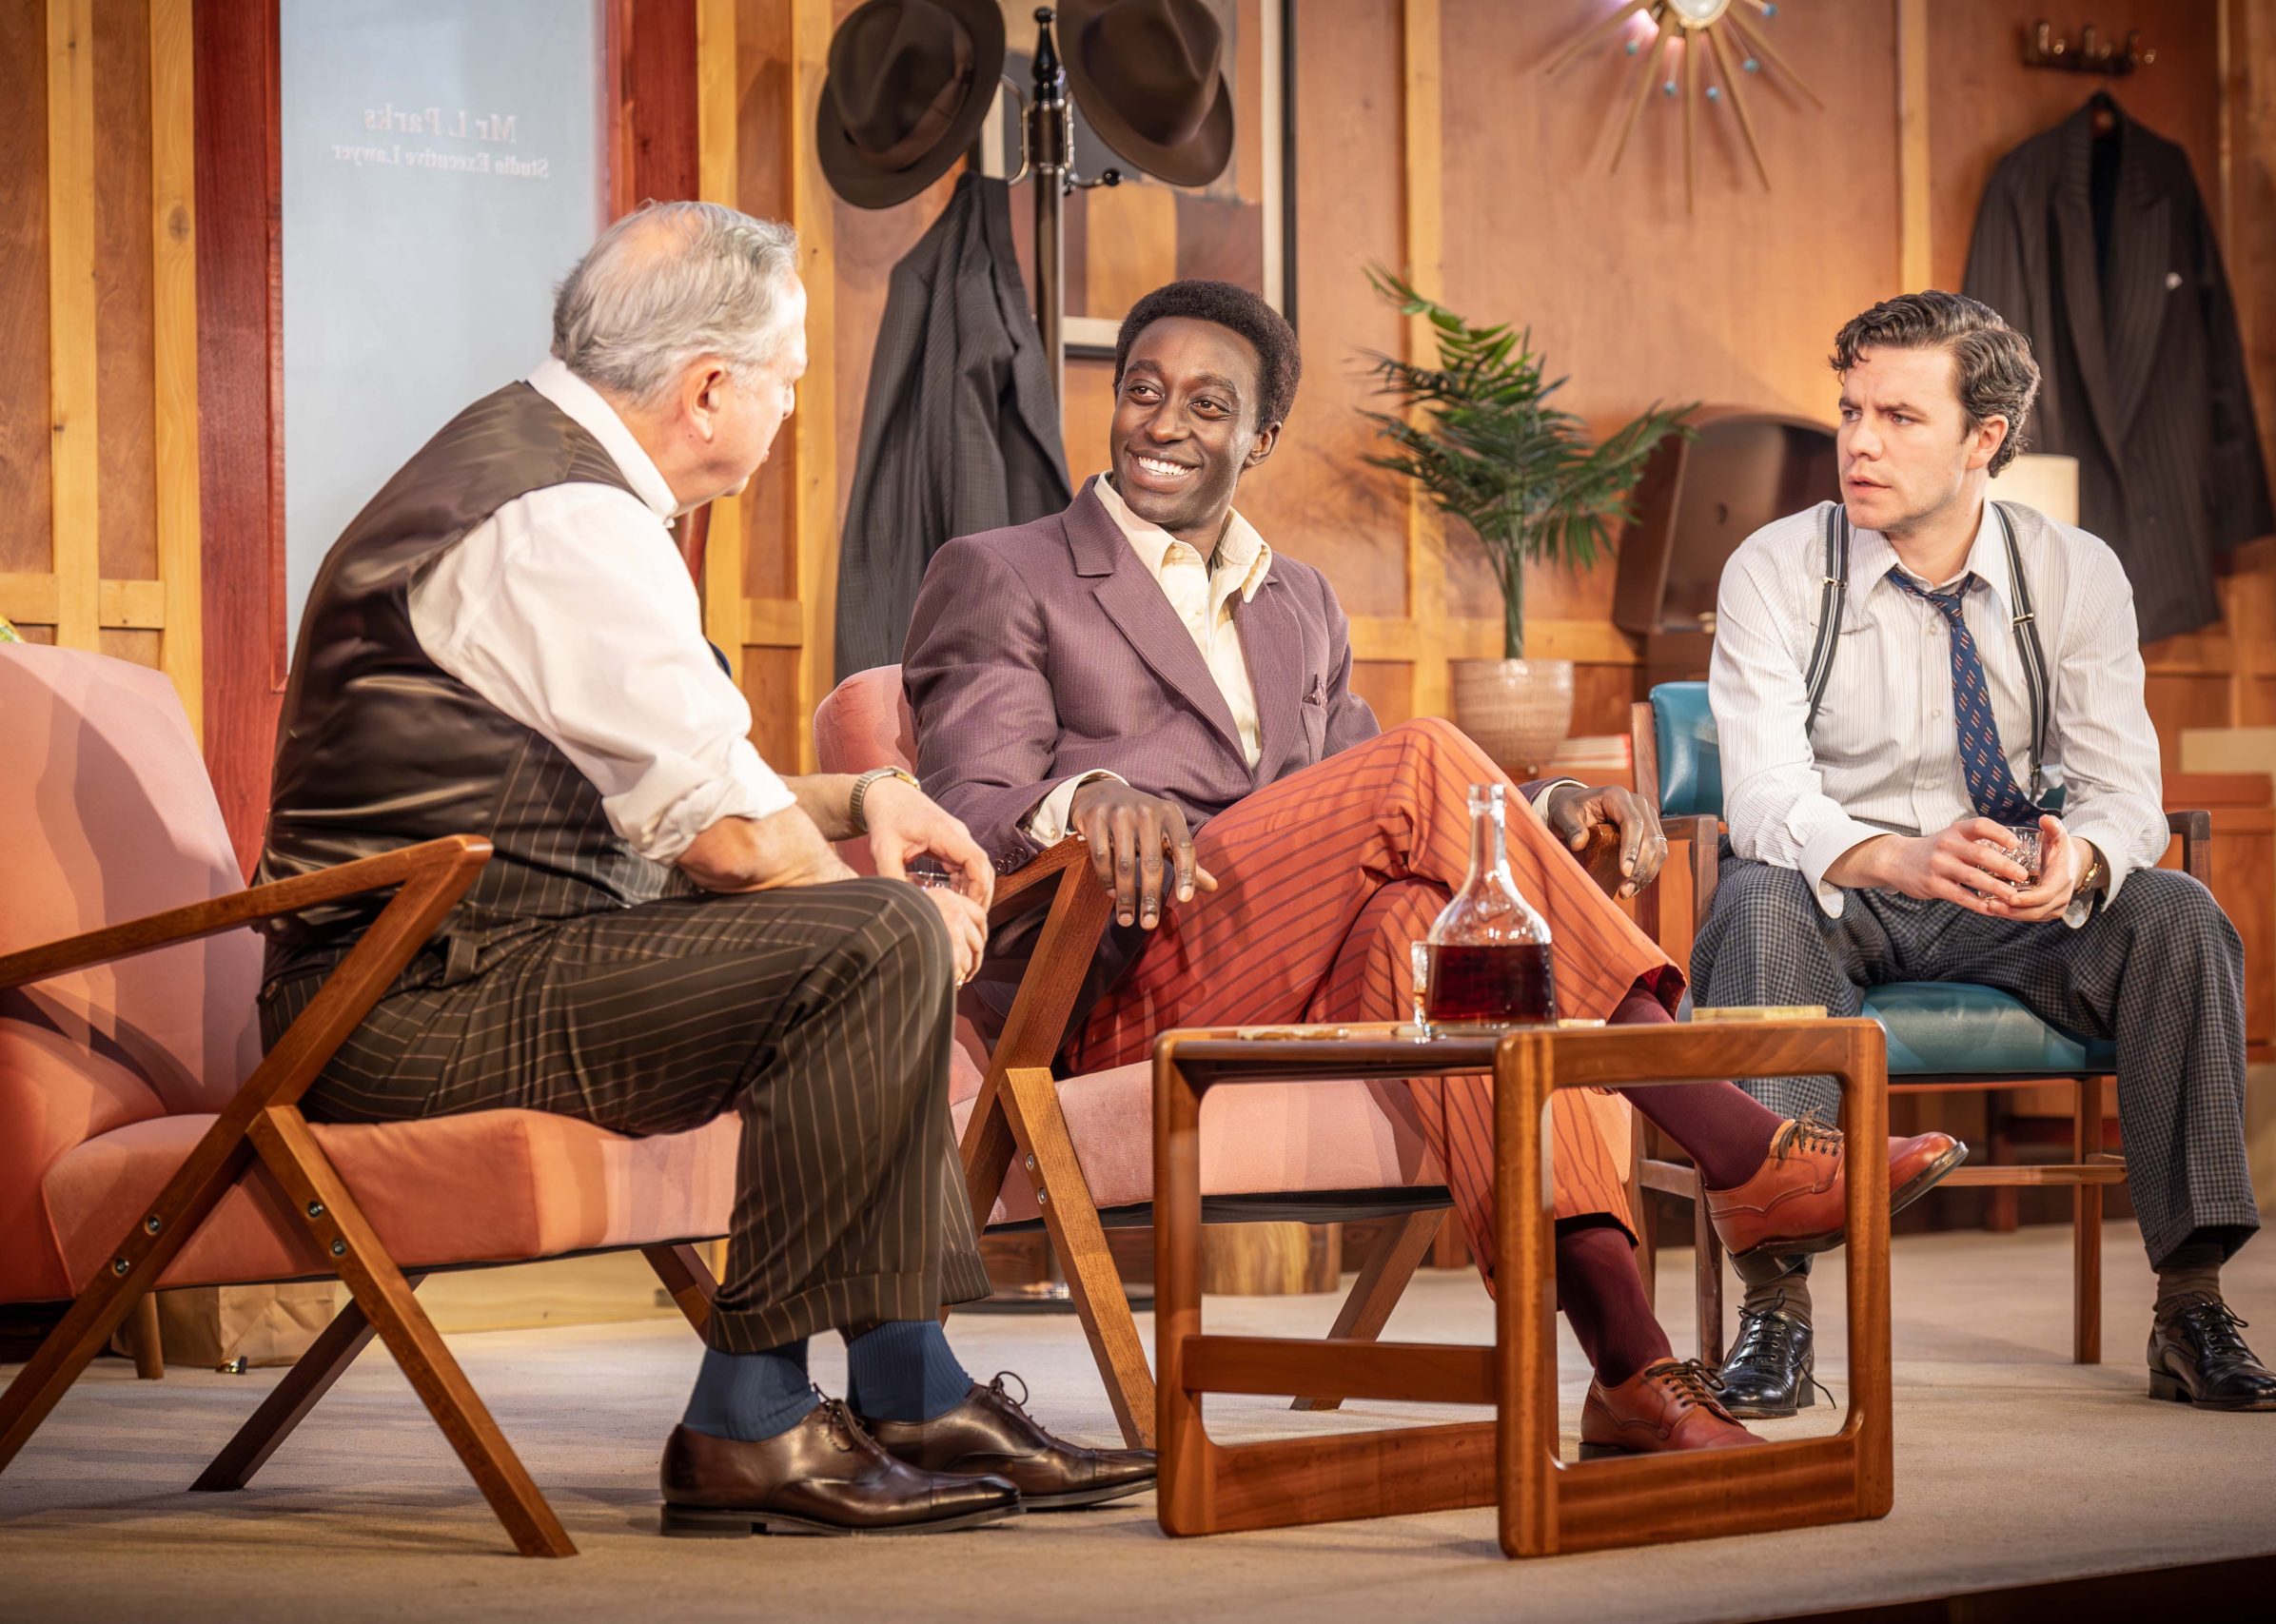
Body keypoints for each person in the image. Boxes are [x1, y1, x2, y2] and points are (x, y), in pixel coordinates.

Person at [903, 279, 1965, 1455]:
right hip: (1113, 981)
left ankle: (1630, 1370)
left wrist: (1547, 811)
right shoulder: (1005, 571)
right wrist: (1086, 796)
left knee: (1437, 935)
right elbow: (963, 813)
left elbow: (1361, 800)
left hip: (1296, 970)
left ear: (1259, 438)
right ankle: (1734, 1142)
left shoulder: (1298, 601)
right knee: (1419, 770)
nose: (1163, 423)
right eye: (1143, 391)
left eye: (1206, 404)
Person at [254, 202, 1154, 1537]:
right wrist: (901, 912)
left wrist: (869, 795)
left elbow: (683, 784)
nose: (789, 407)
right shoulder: (559, 519)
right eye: (786, 378)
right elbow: (730, 842)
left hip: (485, 960)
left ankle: (910, 1389)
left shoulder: (549, 482)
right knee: (875, 940)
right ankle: (749, 1422)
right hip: (391, 1008)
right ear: (710, 388)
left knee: (874, 932)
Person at [1696, 289, 2276, 1418]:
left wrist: (2084, 862)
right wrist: (1895, 857)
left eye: (1899, 418)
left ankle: (2191, 1308)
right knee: (1757, 903)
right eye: (1851, 410)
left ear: (1985, 438)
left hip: (2010, 892)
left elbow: (2123, 790)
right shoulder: (1776, 567)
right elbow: (1763, 793)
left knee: (2175, 913)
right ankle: (1775, 1310)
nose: (1860, 443)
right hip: (1845, 890)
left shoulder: (2074, 572)